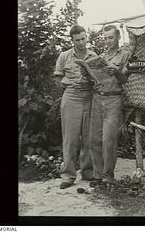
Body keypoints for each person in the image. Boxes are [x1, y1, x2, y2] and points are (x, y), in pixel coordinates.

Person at [54, 25, 97, 189]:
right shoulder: (64, 56)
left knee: (88, 137)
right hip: (71, 97)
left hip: (89, 96)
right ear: (72, 41)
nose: (81, 42)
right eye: (77, 40)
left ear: (86, 38)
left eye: (83, 39)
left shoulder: (93, 56)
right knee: (70, 138)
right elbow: (57, 80)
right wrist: (70, 85)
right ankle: (68, 175)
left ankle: (88, 172)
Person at [87, 25, 131, 186]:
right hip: (97, 98)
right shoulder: (101, 56)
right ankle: (98, 176)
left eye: (110, 38)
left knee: (109, 139)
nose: (107, 41)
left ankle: (108, 175)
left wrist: (116, 72)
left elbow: (126, 79)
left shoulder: (125, 55)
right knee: (94, 138)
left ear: (118, 38)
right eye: (105, 38)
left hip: (114, 99)